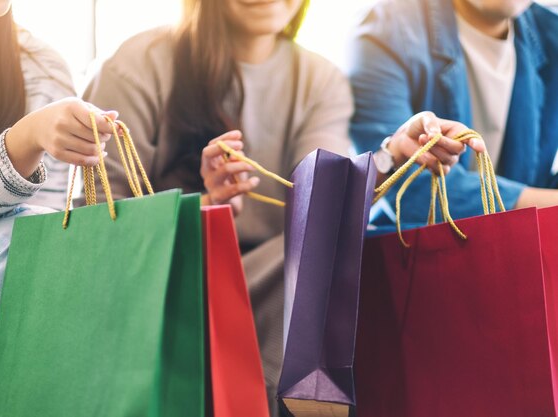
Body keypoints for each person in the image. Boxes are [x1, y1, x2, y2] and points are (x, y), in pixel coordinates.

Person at [83, 0, 482, 414]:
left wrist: (391, 156)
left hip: (280, 286)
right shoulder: (138, 63)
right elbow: (100, 225)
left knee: (345, 257)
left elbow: (322, 202)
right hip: (171, 284)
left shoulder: (319, 79)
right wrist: (205, 207)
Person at [0, 1, 118, 416]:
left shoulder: (43, 64)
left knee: (34, 245)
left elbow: (49, 235)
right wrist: (28, 136)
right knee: (20, 241)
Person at [349, 0, 558, 226]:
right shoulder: (385, 29)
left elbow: (539, 178)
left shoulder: (550, 33)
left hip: (523, 244)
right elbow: (400, 183)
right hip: (413, 249)